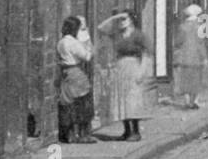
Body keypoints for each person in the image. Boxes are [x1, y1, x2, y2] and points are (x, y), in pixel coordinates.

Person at [97, 9, 152, 140]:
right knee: (121, 100)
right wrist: (116, 17)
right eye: (120, 20)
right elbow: (101, 28)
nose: (121, 22)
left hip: (134, 67)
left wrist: (142, 72)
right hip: (120, 67)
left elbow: (147, 53)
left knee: (133, 100)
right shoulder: (117, 35)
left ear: (131, 20)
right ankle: (127, 131)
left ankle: (136, 131)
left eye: (124, 19)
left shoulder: (138, 35)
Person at [57, 16, 96, 143]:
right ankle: (83, 134)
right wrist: (87, 42)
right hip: (76, 72)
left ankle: (70, 134)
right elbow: (87, 56)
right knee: (83, 103)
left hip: (65, 73)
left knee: (68, 103)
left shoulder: (61, 42)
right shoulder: (73, 42)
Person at [174, 3, 208, 109]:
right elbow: (201, 43)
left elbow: (178, 42)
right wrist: (204, 56)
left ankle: (187, 101)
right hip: (196, 57)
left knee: (185, 79)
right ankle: (196, 100)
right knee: (196, 79)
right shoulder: (200, 27)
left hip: (184, 57)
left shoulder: (182, 27)